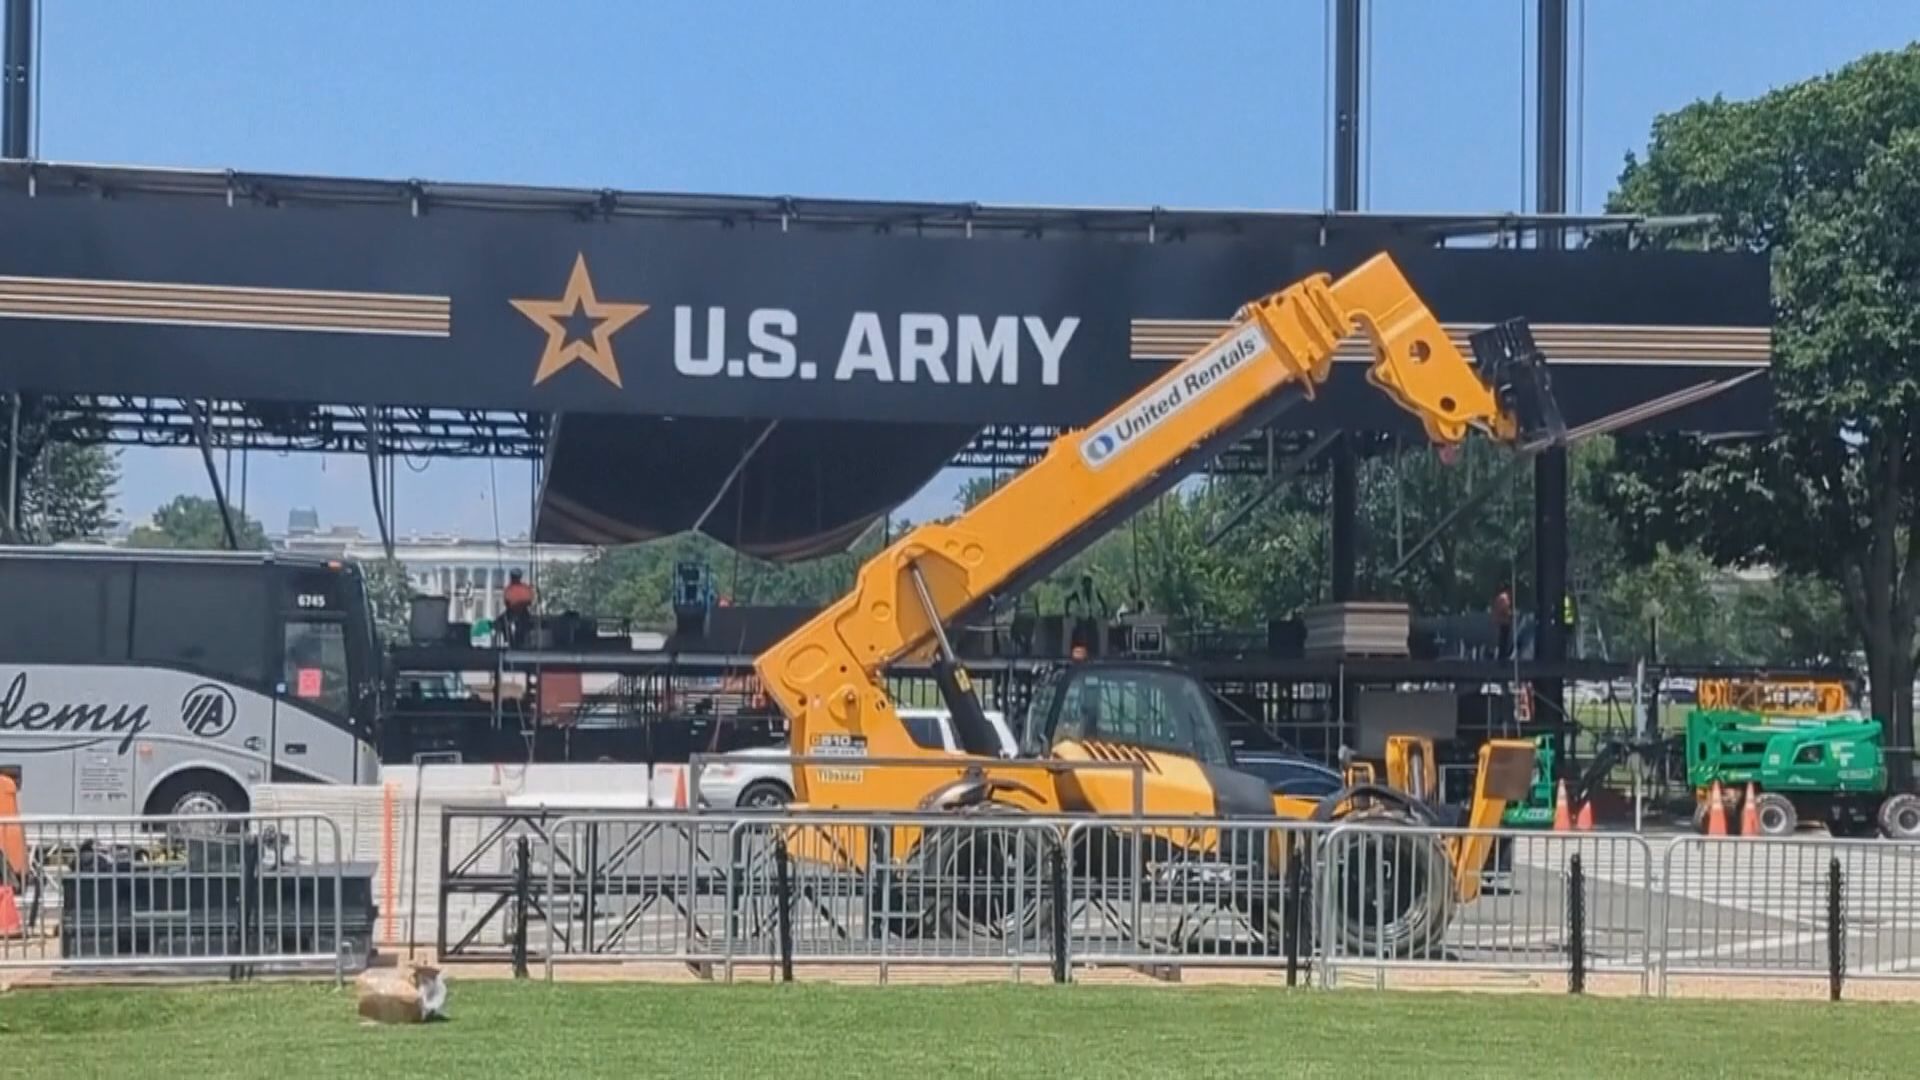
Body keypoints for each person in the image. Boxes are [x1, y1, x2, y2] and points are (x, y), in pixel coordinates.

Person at [500, 569, 535, 647]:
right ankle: (516, 640)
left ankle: (509, 639)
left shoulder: (509, 588)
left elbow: (506, 602)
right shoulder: (526, 588)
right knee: (524, 623)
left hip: (514, 610)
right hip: (521, 611)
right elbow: (530, 601)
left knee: (502, 622)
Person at [1492, 588, 1514, 660]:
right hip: (1504, 622)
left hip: (1501, 621)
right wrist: (1510, 614)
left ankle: (1502, 655)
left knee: (1502, 639)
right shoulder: (1504, 598)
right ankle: (1502, 656)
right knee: (1503, 640)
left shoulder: (1500, 597)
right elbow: (1504, 609)